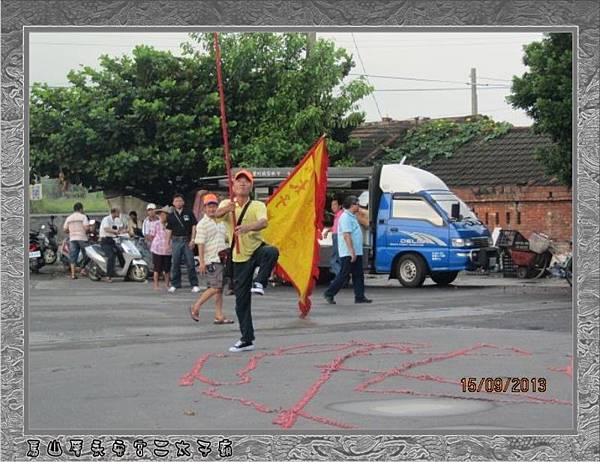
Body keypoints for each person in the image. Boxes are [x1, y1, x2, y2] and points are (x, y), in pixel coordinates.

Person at [215, 170, 279, 352]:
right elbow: (215, 215)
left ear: (251, 186)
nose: (242, 184)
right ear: (233, 186)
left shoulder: (257, 204)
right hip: (238, 258)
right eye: (239, 181)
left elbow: (263, 222)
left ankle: (260, 282)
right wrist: (226, 210)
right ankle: (247, 338)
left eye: (246, 182)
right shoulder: (228, 203)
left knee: (271, 251)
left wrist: (247, 228)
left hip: (256, 250)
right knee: (241, 301)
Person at [189, 194, 233, 324]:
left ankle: (219, 315)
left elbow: (225, 237)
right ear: (204, 209)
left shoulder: (221, 221)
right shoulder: (202, 224)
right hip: (211, 259)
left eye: (214, 206)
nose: (212, 209)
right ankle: (196, 306)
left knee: (219, 289)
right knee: (215, 287)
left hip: (222, 258)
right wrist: (202, 262)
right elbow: (200, 243)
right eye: (209, 206)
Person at [323, 195, 372, 305]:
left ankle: (359, 296)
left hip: (356, 251)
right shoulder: (345, 217)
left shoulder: (352, 216)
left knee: (358, 275)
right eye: (356, 204)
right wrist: (352, 252)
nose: (358, 206)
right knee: (343, 274)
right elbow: (346, 235)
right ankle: (329, 293)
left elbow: (365, 216)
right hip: (348, 252)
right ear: (351, 205)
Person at [165, 193, 200, 293]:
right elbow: (168, 230)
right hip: (176, 241)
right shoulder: (171, 216)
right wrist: (167, 243)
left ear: (183, 202)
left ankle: (194, 284)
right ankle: (175, 284)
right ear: (173, 203)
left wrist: (193, 239)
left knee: (190, 263)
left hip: (187, 240)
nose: (178, 203)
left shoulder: (189, 213)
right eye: (176, 201)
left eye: (180, 200)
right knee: (175, 263)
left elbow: (194, 226)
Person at [63, 202, 90, 279]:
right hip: (82, 238)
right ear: (81, 209)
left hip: (72, 239)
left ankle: (73, 274)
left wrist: (71, 232)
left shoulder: (69, 218)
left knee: (73, 256)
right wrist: (87, 231)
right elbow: (87, 228)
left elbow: (64, 229)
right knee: (87, 254)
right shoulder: (83, 217)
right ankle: (82, 268)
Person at [99, 207, 126, 283]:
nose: (119, 214)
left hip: (112, 240)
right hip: (105, 241)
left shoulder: (116, 220)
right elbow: (106, 229)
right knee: (111, 256)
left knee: (120, 252)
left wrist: (123, 230)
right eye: (118, 212)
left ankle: (124, 271)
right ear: (114, 212)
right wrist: (115, 231)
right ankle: (108, 276)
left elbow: (120, 228)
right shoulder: (106, 219)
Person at [148, 206, 172, 291]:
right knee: (157, 268)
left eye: (164, 214)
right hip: (157, 248)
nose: (162, 216)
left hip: (168, 249)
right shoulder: (155, 223)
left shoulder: (170, 224)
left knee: (167, 268)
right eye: (161, 214)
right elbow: (151, 235)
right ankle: (156, 285)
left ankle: (167, 284)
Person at [322, 197, 343, 276]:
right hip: (336, 237)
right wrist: (328, 231)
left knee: (335, 260)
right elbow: (336, 227)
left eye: (335, 205)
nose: (332, 207)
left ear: (340, 206)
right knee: (337, 259)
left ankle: (341, 277)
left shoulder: (341, 215)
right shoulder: (337, 215)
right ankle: (341, 277)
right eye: (332, 205)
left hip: (338, 237)